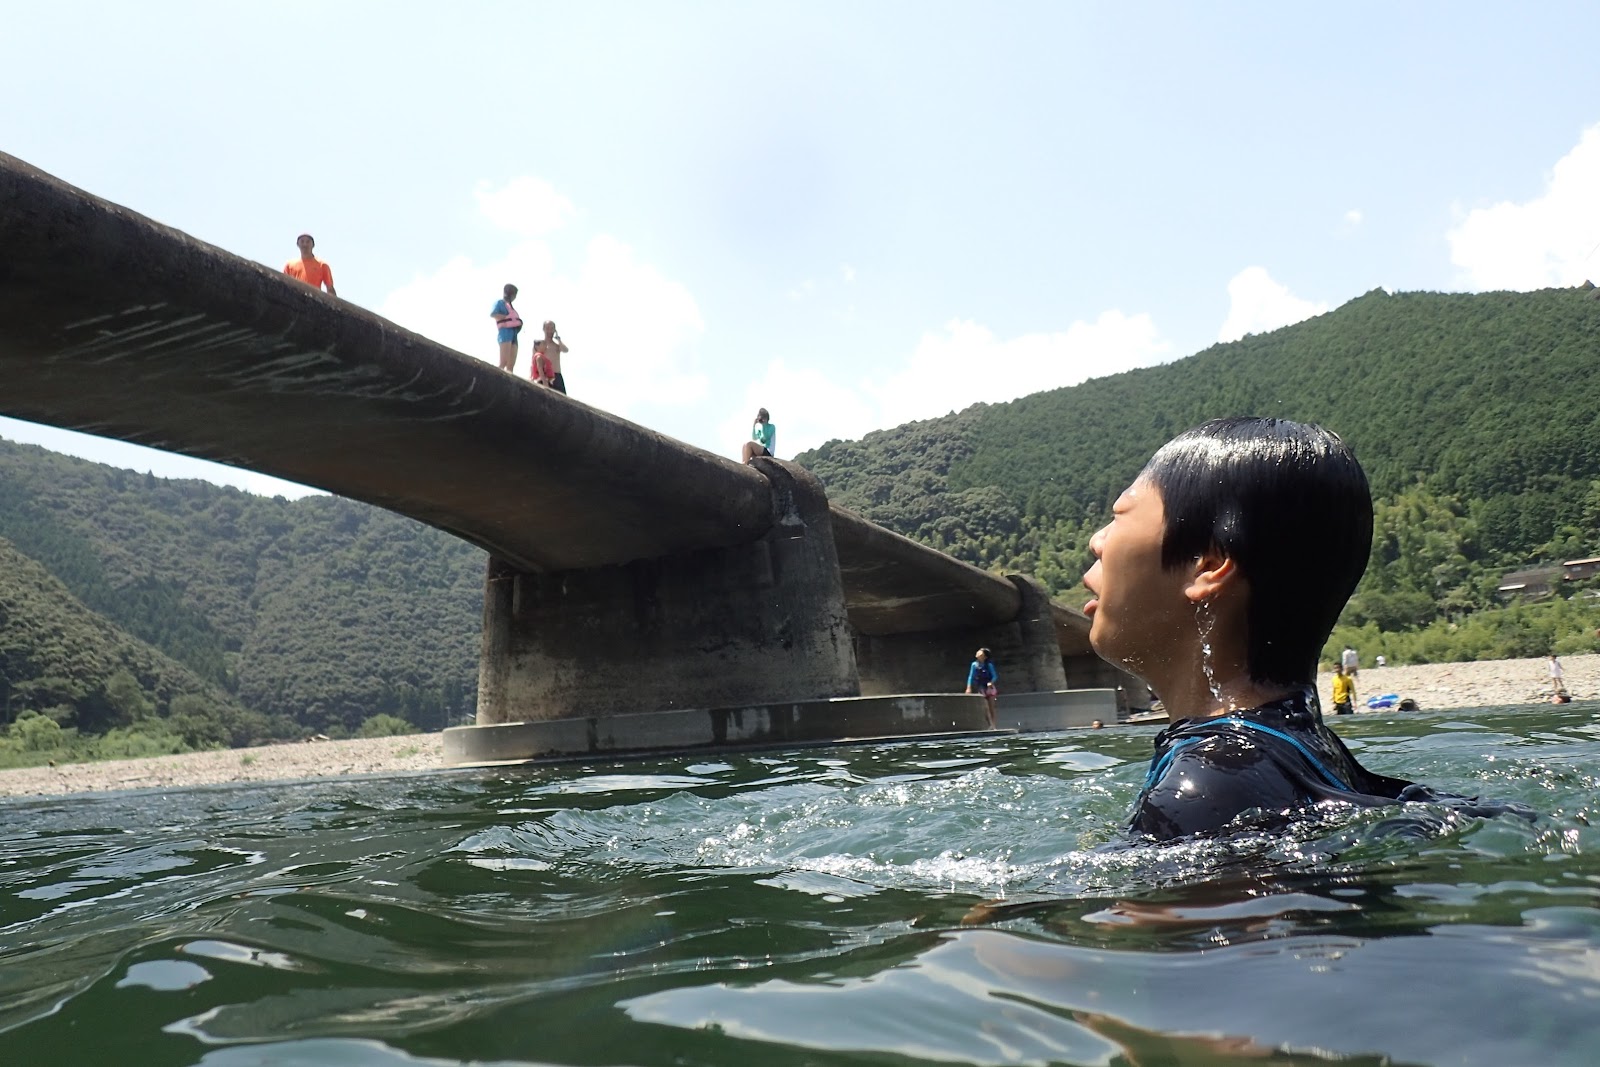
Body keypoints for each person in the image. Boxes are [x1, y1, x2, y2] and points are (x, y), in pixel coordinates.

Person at [1081, 417, 1427, 841]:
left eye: (1119, 515)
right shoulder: (1308, 751)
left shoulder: (1206, 790)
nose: (1097, 541)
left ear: (1207, 566)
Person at [491, 285, 522, 373]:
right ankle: (496, 377)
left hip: (514, 333)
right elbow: (493, 314)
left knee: (510, 365)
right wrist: (507, 317)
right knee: (503, 362)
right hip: (505, 332)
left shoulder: (511, 307)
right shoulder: (500, 303)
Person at [964, 647, 998, 728]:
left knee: (991, 707)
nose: (978, 653)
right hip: (981, 688)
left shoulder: (989, 665)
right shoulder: (974, 665)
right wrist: (968, 687)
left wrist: (991, 682)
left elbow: (995, 676)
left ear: (984, 657)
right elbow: (971, 676)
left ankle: (994, 725)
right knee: (985, 708)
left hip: (989, 688)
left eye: (980, 653)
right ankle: (989, 724)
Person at [534, 321, 570, 394]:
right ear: (543, 329)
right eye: (547, 328)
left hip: (556, 375)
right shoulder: (539, 345)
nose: (549, 331)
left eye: (552, 328)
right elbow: (534, 361)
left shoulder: (557, 346)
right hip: (543, 375)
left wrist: (558, 339)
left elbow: (565, 350)